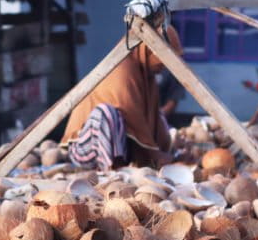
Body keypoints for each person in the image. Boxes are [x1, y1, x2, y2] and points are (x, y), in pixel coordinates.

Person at [61, 12, 182, 171]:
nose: (165, 65)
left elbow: (153, 120)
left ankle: (122, 166)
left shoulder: (147, 76)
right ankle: (110, 171)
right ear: (149, 50)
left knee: (158, 114)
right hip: (86, 150)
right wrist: (155, 155)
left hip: (120, 149)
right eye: (162, 59)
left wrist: (170, 153)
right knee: (106, 113)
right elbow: (131, 113)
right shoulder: (122, 68)